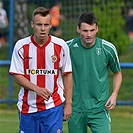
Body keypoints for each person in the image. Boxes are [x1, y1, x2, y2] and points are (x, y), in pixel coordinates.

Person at [9, 7, 72, 133]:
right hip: (28, 108)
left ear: (50, 25)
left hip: (53, 107)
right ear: (32, 25)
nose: (42, 29)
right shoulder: (21, 46)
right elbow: (16, 75)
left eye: (46, 25)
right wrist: (36, 88)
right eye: (39, 24)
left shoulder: (61, 46)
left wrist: (69, 104)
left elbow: (67, 74)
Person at [66, 12, 122, 133]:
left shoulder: (108, 48)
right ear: (78, 29)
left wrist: (114, 94)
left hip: (100, 109)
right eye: (85, 31)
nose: (89, 34)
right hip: (76, 108)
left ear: (97, 28)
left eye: (92, 30)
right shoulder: (67, 47)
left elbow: (117, 73)